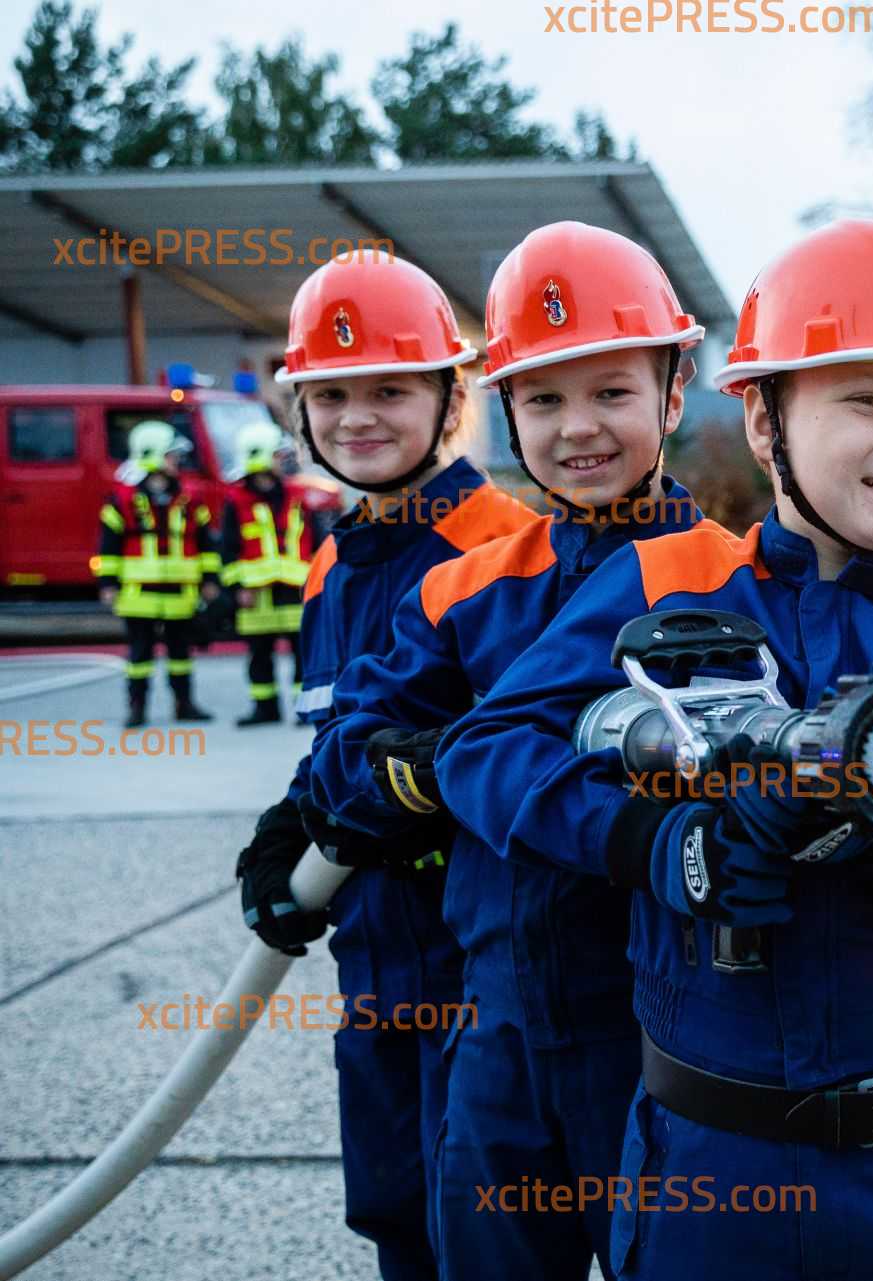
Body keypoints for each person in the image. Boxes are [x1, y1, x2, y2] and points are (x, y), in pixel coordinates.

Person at [439, 219, 873, 1281]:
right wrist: (657, 840)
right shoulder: (661, 584)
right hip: (707, 1182)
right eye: (865, 399)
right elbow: (488, 752)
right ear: (761, 414)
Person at [305, 222, 705, 1280]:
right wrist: (441, 762)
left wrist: (461, 768)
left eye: (612, 393)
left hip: (668, 1030)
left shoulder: (729, 584)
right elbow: (344, 750)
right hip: (499, 1028)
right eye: (544, 399)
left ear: (673, 394)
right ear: (504, 409)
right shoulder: (470, 585)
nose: (579, 429)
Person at [231, 255, 538, 1281]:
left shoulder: (509, 549)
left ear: (452, 398)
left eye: (390, 389)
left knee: (490, 1237)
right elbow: (331, 744)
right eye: (332, 395)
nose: (359, 417)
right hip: (374, 962)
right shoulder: (332, 560)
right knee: (395, 1216)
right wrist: (287, 832)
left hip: (484, 965)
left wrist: (417, 794)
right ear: (301, 410)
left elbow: (529, 761)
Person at [95, 420, 218, 727]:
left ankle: (184, 704)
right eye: (171, 455)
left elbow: (205, 544)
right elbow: (109, 546)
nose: (177, 461)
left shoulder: (190, 500)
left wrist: (210, 580)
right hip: (138, 594)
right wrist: (108, 583)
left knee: (180, 653)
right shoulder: (121, 501)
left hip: (180, 591)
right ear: (152, 454)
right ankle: (137, 709)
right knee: (139, 655)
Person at [220, 421, 317, 727]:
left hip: (295, 588)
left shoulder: (296, 495)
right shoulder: (235, 501)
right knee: (259, 655)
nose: (283, 459)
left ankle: (304, 708)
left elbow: (313, 539)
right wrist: (237, 586)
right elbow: (228, 547)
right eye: (278, 454)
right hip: (256, 593)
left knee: (303, 654)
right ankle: (265, 709)